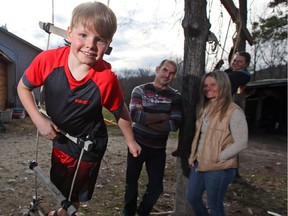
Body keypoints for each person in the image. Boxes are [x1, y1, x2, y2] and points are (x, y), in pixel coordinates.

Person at [17, 2, 141, 216]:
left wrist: (130, 140)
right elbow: (23, 87)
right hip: (61, 139)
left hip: (89, 145)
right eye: (83, 35)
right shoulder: (47, 60)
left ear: (108, 44)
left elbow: (120, 112)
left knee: (75, 193)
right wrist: (38, 119)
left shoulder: (106, 79)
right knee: (58, 184)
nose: (90, 45)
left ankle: (63, 213)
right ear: (70, 33)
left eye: (99, 39)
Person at [122, 59, 182, 216]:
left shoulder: (175, 96)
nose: (167, 75)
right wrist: (163, 115)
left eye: (172, 73)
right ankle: (128, 213)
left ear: (174, 76)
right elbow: (135, 115)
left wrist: (147, 118)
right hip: (137, 144)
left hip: (158, 149)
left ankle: (142, 213)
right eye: (165, 70)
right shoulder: (140, 90)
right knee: (131, 183)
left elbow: (174, 124)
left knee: (156, 188)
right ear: (157, 69)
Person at [187, 71, 248, 216]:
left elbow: (241, 142)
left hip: (219, 167)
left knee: (215, 206)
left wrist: (218, 157)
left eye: (213, 85)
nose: (208, 88)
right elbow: (200, 136)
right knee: (193, 198)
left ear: (223, 85)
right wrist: (193, 155)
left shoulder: (234, 111)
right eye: (206, 85)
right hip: (200, 163)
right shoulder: (206, 108)